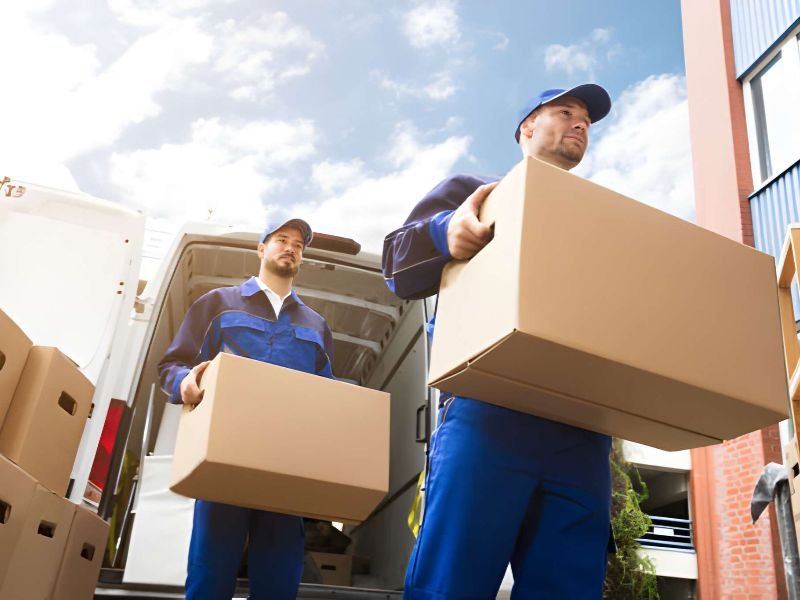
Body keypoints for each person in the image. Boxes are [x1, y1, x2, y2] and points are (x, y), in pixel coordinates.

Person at [382, 84, 614, 599]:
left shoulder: (602, 220)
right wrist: (448, 233)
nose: (580, 124)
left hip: (583, 428)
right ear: (527, 127)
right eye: (566, 112)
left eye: (587, 121)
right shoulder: (477, 191)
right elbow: (396, 268)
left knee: (569, 586)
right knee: (452, 582)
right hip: (489, 412)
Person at [158, 218, 334, 600]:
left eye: (299, 245)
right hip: (224, 457)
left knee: (279, 581)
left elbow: (327, 397)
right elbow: (172, 365)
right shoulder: (218, 304)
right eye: (281, 240)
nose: (291, 248)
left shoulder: (316, 325)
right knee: (210, 576)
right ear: (261, 248)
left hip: (287, 467)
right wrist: (186, 383)